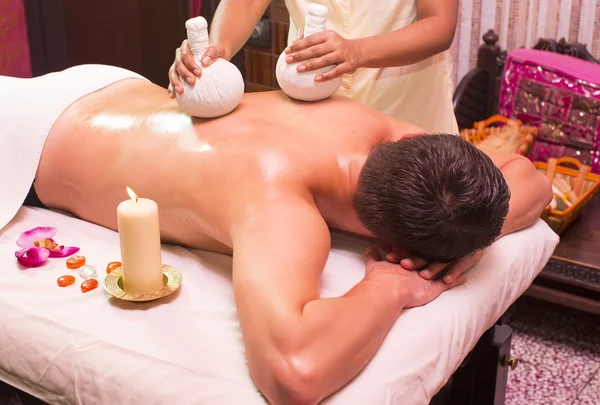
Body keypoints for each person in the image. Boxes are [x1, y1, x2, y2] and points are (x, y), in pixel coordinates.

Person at [1, 66, 552, 405]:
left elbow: (531, 180)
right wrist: (393, 288)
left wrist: (467, 241)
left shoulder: (379, 132)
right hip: (27, 139)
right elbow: (293, 374)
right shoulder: (276, 199)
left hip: (101, 84)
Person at [168, 0, 459, 134]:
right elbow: (244, 4)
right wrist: (216, 50)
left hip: (407, 111)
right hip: (316, 119)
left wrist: (355, 51)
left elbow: (439, 24)